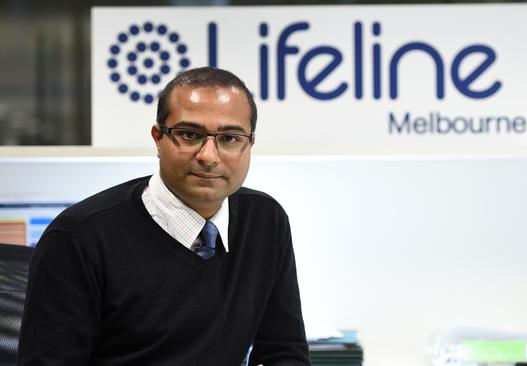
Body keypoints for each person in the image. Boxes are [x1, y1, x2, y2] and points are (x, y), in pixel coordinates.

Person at [17, 67, 310, 366]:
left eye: (230, 138)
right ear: (158, 139)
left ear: (250, 145)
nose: (209, 156)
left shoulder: (264, 221)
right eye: (190, 135)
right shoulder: (79, 238)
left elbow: (284, 353)